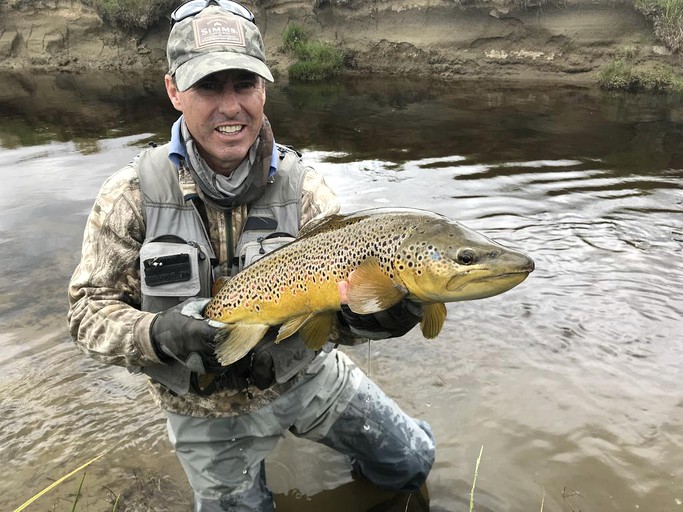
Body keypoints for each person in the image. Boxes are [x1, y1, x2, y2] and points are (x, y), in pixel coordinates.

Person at [67, 1, 435, 510]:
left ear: (264, 88)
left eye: (244, 84)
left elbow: (335, 319)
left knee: (413, 462)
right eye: (208, 87)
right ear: (174, 90)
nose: (231, 106)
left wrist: (379, 317)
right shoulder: (129, 196)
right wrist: (156, 333)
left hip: (305, 377)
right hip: (202, 412)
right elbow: (86, 314)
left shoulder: (305, 190)